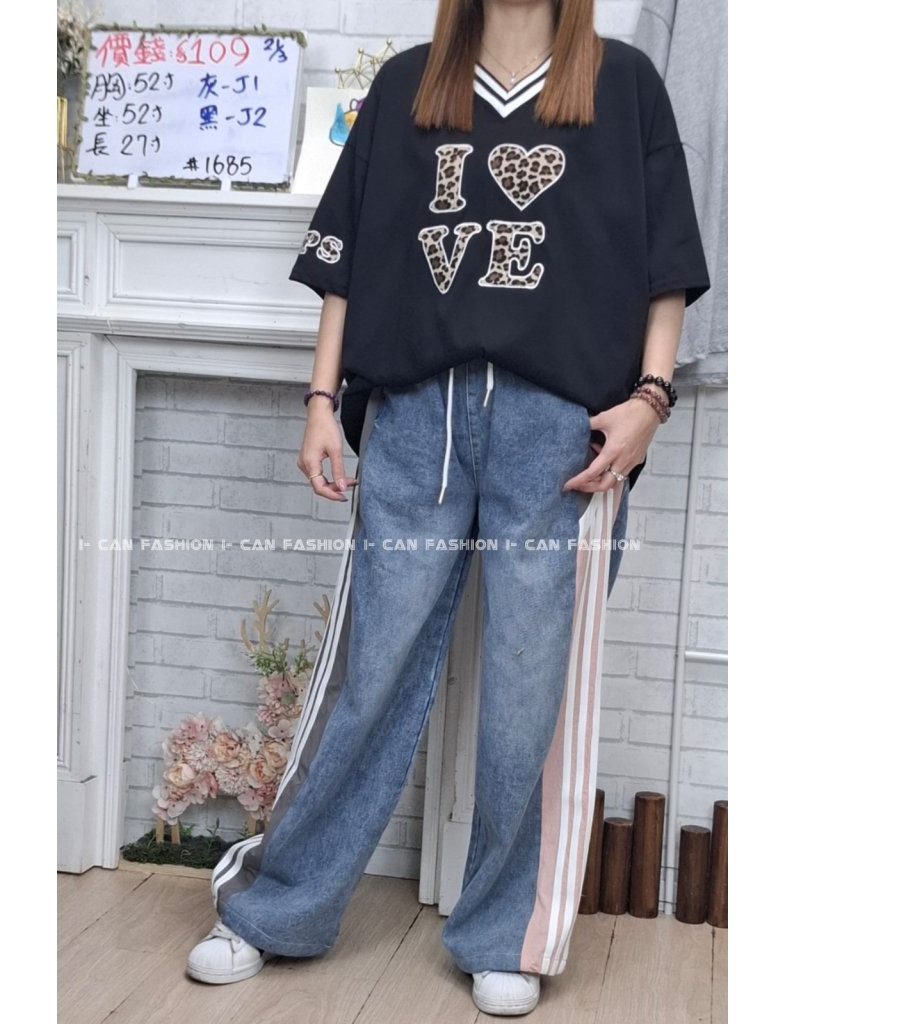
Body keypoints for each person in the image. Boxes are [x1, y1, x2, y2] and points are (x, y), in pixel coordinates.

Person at [187, 0, 710, 1015]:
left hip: (559, 434)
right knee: (369, 673)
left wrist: (650, 400)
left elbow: (666, 268)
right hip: (416, 417)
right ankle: (277, 907)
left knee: (529, 693)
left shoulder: (624, 86)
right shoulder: (407, 86)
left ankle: (505, 931)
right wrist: (320, 403)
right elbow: (346, 260)